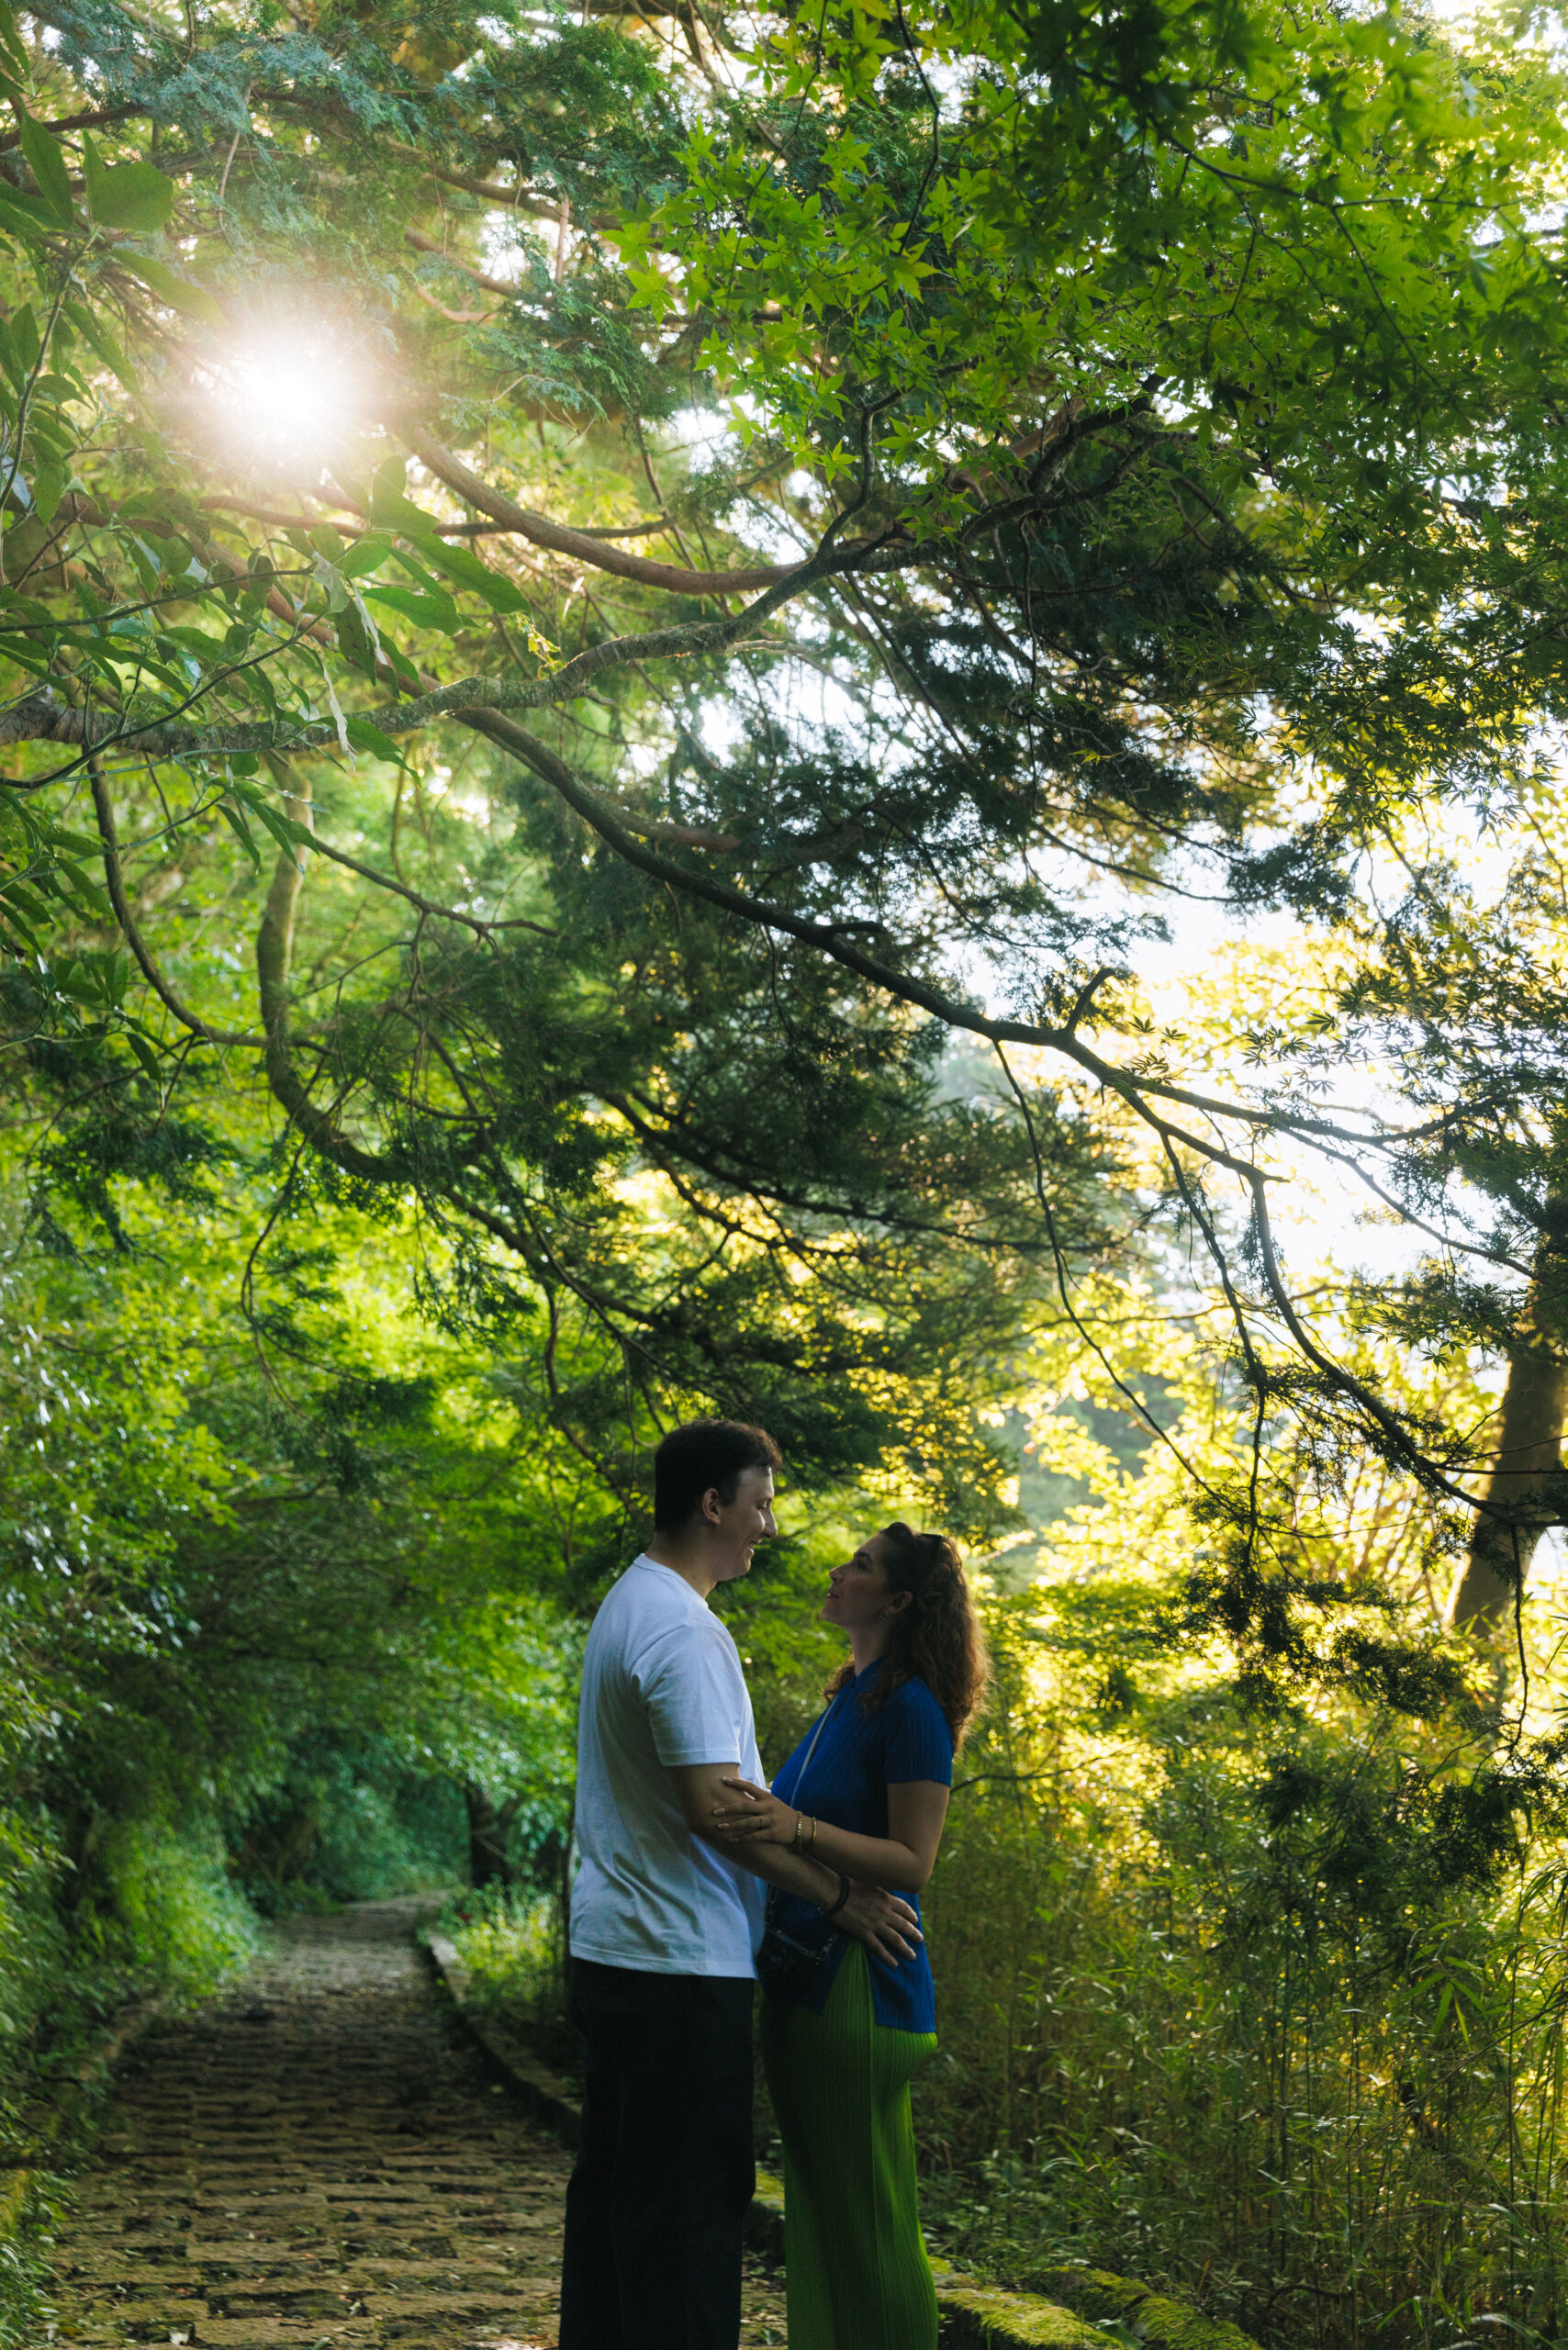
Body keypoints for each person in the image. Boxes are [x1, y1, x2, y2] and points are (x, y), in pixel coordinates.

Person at [559, 1421, 924, 2350]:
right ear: (711, 1503)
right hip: (676, 1959)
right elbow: (719, 1813)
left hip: (620, 1947)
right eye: (759, 1502)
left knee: (617, 2202)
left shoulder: (628, 1604)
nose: (769, 1525)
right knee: (683, 2220)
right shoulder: (682, 1630)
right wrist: (843, 1901)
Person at [709, 1521, 989, 2350]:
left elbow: (913, 1860)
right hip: (805, 1979)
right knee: (825, 2225)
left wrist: (796, 1829)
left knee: (868, 2233)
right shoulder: (850, 1697)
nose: (839, 1571)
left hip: (861, 1987)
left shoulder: (911, 1711)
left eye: (860, 1567)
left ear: (899, 1601)